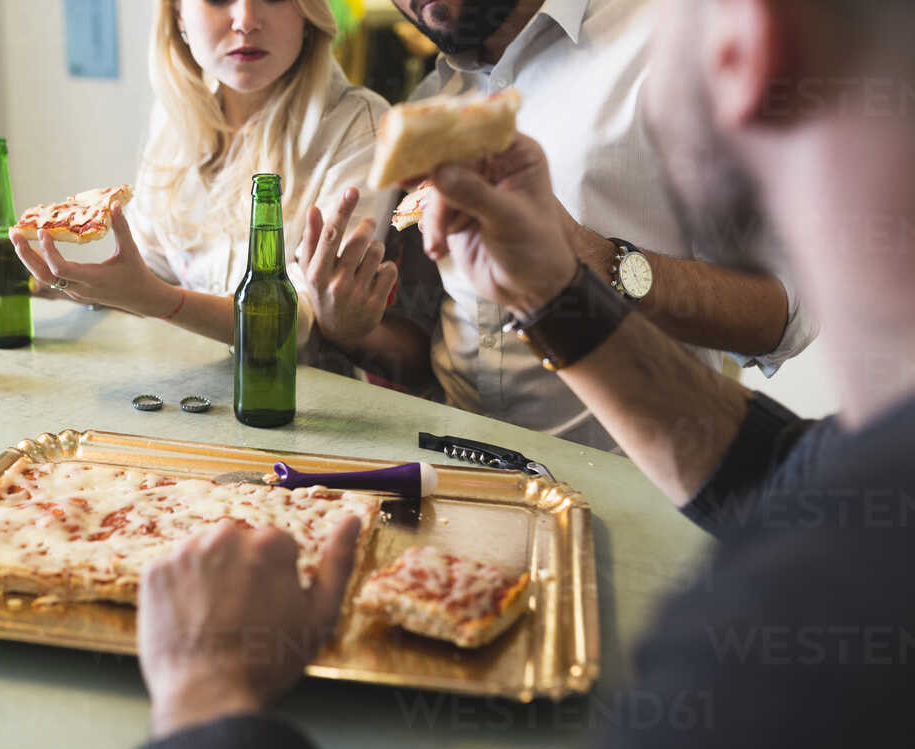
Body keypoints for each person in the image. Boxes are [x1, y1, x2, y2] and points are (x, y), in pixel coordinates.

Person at [109, 0, 915, 749]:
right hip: (473, 513)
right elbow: (782, 471)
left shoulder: (781, 642)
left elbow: (783, 319)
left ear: (749, 45)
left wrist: (205, 700)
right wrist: (549, 293)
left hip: (637, 534)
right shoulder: (432, 105)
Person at [326, 0, 821, 450]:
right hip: (458, 484)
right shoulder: (432, 100)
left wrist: (591, 258)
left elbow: (783, 316)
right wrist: (348, 328)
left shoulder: (674, 43)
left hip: (629, 490)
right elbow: (427, 345)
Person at [0, 0, 410, 373]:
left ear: (307, 11)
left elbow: (295, 318)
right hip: (191, 390)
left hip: (301, 412)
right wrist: (50, 275)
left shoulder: (361, 127)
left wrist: (158, 301)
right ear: (178, 13)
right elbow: (150, 268)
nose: (246, 20)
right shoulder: (175, 114)